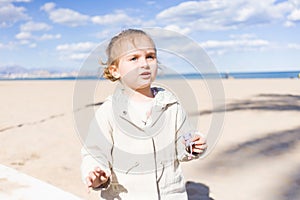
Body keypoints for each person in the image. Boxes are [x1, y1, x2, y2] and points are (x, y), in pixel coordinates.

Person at [80, 29, 207, 200]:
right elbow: (94, 151)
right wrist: (96, 172)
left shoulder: (171, 104)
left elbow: (182, 143)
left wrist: (191, 145)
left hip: (170, 195)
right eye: (133, 58)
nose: (144, 64)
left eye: (150, 56)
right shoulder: (109, 111)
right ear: (115, 70)